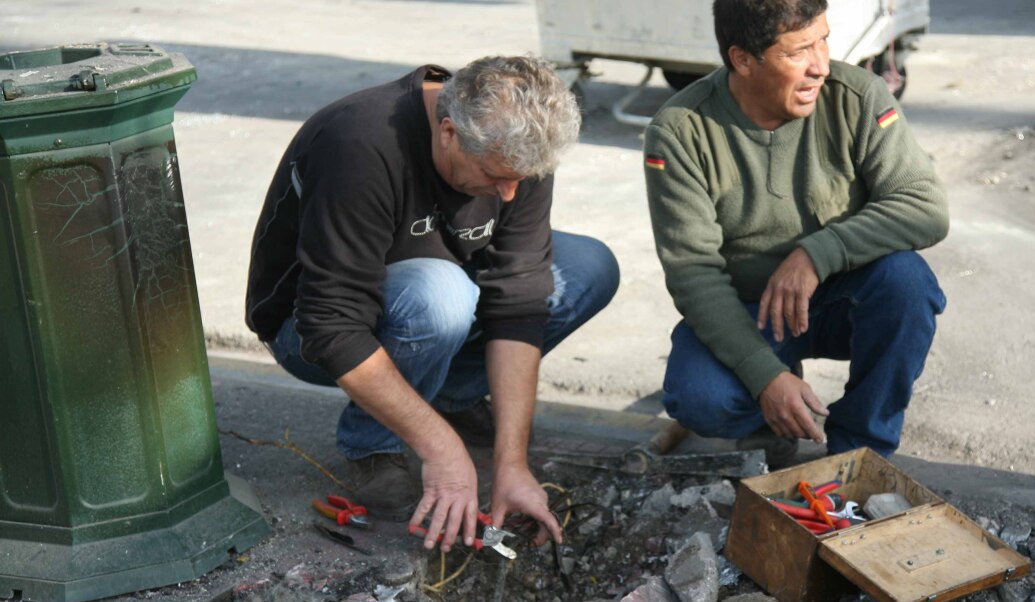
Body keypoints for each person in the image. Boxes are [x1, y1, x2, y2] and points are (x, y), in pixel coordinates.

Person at [245, 55, 619, 552]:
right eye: (494, 175)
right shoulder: (360, 143)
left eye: (521, 179)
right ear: (448, 132)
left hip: (428, 294)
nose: (508, 195)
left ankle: (451, 395)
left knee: (588, 267)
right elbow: (330, 324)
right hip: (305, 325)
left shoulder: (519, 150)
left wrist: (513, 464)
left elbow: (519, 300)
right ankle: (374, 443)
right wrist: (441, 449)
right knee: (440, 295)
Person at [643, 0, 948, 465]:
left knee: (907, 285)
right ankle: (776, 421)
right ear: (742, 59)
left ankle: (860, 450)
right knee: (700, 398)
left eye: (823, 40)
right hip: (752, 310)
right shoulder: (680, 132)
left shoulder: (857, 96)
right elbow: (694, 275)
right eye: (798, 52)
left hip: (847, 297)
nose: (820, 66)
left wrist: (817, 255)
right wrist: (765, 375)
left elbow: (925, 208)